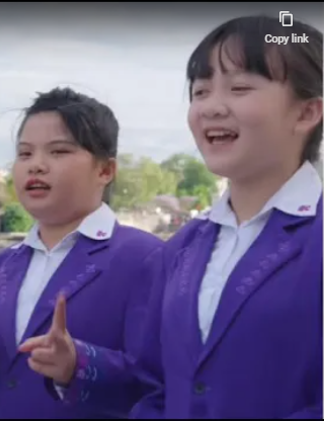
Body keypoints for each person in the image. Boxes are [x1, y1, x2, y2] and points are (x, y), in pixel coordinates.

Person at [130, 16, 322, 419]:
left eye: (239, 88)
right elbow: (153, 385)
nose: (211, 107)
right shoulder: (180, 249)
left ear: (307, 113)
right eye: (200, 92)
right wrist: (77, 364)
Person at [0, 87, 163, 419]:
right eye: (25, 154)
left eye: (58, 152)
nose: (36, 166)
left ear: (105, 170)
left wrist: (79, 366)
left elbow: (161, 388)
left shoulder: (148, 259)